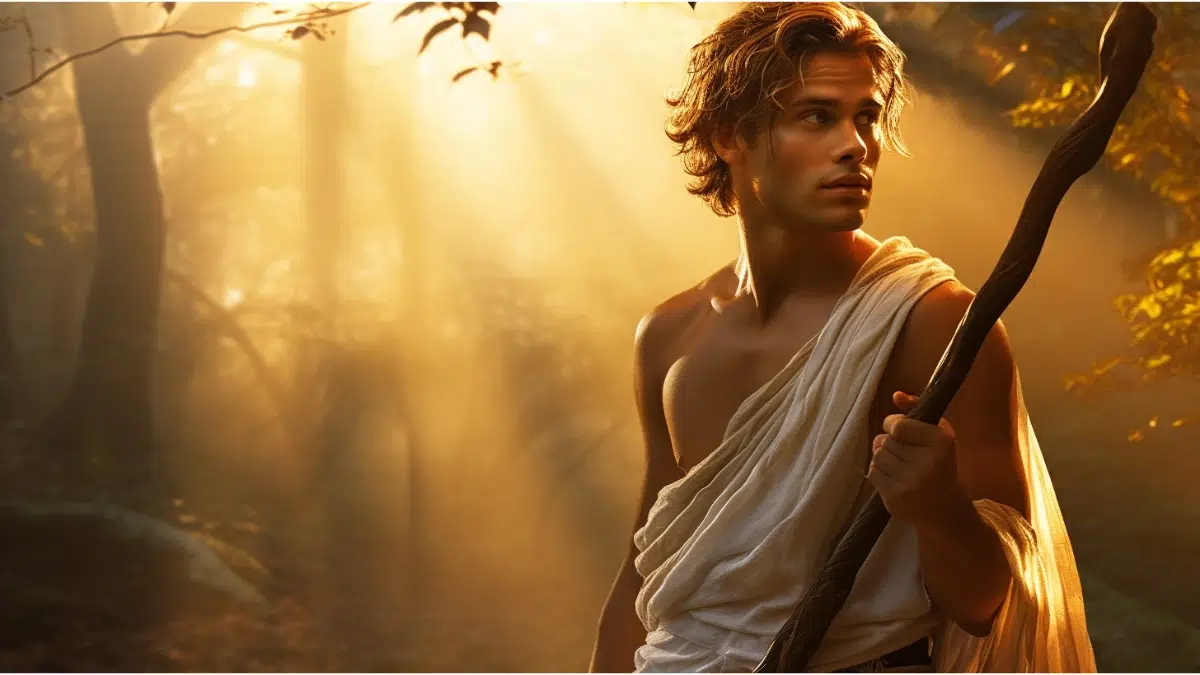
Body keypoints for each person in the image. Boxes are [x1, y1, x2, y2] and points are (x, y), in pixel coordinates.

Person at [588, 3, 1095, 673]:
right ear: (726, 137)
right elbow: (644, 577)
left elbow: (985, 603)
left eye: (866, 116)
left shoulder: (929, 321)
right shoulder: (669, 337)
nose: (855, 144)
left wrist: (940, 509)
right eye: (816, 116)